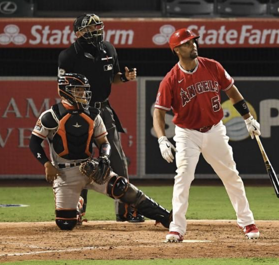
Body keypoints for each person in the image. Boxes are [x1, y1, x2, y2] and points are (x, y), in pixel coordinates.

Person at [153, 28, 262, 242]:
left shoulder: (212, 66)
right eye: (186, 43)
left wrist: (248, 118)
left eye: (193, 41)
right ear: (176, 50)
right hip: (187, 134)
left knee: (231, 174)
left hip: (215, 130)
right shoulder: (171, 79)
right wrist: (162, 139)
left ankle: (247, 221)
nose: (193, 45)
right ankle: (176, 228)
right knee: (183, 177)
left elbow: (232, 92)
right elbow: (159, 112)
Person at [29, 73, 171, 231]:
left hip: (89, 168)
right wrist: (46, 164)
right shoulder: (51, 116)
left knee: (122, 186)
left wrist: (104, 158)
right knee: (66, 223)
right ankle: (77, 203)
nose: (83, 94)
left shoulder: (93, 114)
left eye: (84, 90)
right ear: (65, 91)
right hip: (64, 173)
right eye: (78, 90)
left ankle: (165, 216)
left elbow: (104, 142)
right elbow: (34, 142)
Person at [57, 14, 144, 223]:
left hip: (104, 110)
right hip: (80, 111)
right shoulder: (68, 56)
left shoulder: (109, 49)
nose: (96, 32)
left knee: (118, 161)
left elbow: (113, 77)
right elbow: (61, 89)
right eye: (90, 29)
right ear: (79, 33)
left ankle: (126, 211)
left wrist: (124, 78)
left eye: (98, 27)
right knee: (79, 161)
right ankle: (77, 211)